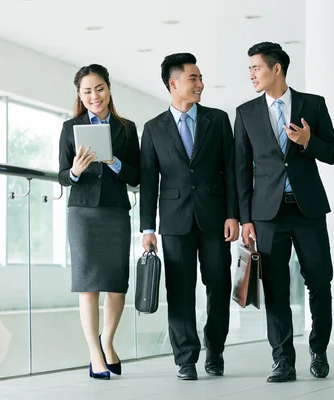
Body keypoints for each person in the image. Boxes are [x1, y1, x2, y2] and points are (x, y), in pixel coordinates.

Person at [234, 42, 334, 383]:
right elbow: (240, 169)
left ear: (276, 68)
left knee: (320, 282)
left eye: (256, 68)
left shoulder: (313, 104)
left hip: (308, 210)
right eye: (249, 69)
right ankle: (282, 360)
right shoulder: (246, 112)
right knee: (276, 288)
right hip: (267, 214)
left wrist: (309, 141)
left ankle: (319, 351)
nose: (251, 74)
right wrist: (246, 218)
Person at [139, 53, 239, 380]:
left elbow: (232, 172)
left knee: (219, 286)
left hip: (215, 219)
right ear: (174, 83)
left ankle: (216, 349)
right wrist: (147, 229)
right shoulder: (153, 129)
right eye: (193, 78)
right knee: (179, 290)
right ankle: (185, 358)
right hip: (174, 221)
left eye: (200, 78)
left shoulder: (218, 119)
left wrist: (233, 215)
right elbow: (149, 181)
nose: (200, 84)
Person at [58, 64, 140, 380]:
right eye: (87, 91)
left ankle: (107, 341)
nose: (95, 96)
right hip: (83, 214)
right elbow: (63, 175)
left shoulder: (127, 128)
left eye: (99, 88)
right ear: (80, 95)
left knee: (117, 285)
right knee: (88, 286)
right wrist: (77, 170)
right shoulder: (70, 127)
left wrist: (114, 162)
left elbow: (137, 177)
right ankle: (95, 353)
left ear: (108, 89)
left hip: (116, 211)